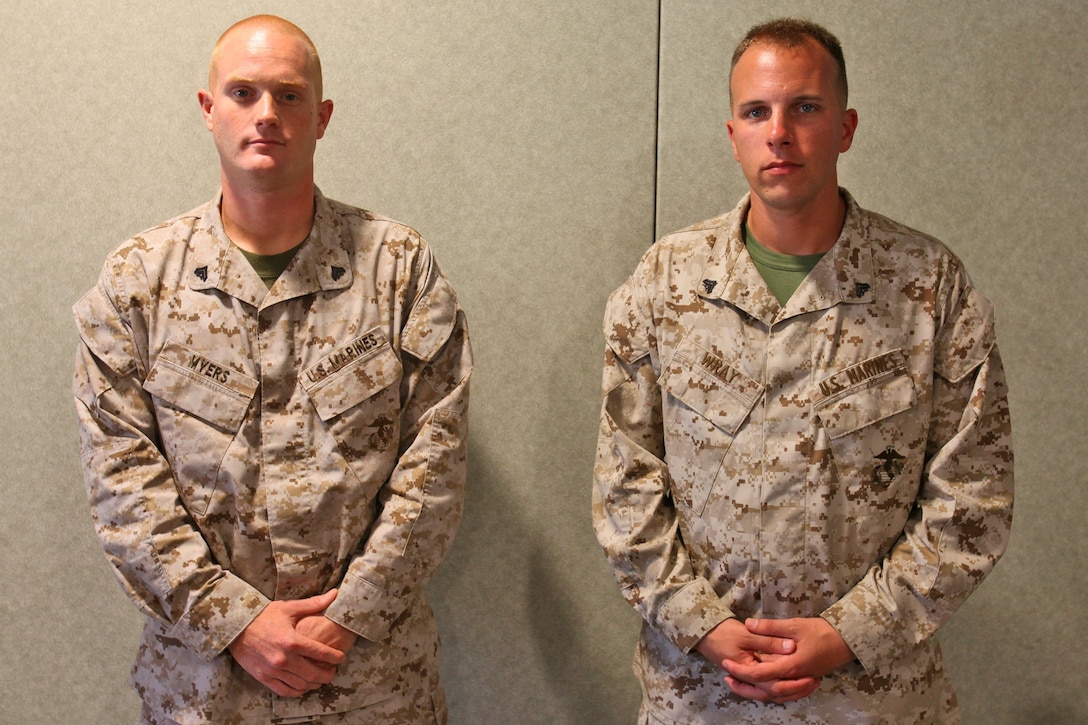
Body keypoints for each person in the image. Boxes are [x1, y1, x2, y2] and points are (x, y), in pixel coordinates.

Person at [593, 17, 1012, 723]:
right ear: (733, 134)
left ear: (845, 128)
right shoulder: (664, 284)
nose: (779, 132)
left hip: (872, 701)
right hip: (701, 695)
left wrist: (849, 633)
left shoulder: (929, 286)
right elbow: (624, 486)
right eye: (757, 112)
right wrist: (706, 625)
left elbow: (971, 497)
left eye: (805, 108)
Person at [72, 15, 471, 724]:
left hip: (373, 685)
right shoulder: (137, 282)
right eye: (243, 92)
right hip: (205, 686)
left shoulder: (399, 268)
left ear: (321, 117)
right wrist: (237, 622)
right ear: (208, 110)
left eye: (288, 96)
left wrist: (345, 619)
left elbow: (433, 469)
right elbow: (123, 484)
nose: (266, 115)